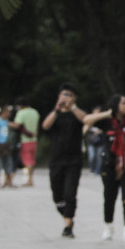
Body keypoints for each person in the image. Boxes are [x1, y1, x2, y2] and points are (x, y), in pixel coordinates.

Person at [83, 95, 125, 243]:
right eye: (123, 103)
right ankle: (108, 226)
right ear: (115, 105)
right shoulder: (106, 122)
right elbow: (86, 120)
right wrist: (107, 113)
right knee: (109, 197)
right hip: (109, 165)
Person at [41, 83, 87, 238]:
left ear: (74, 97)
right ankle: (67, 217)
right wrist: (56, 108)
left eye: (69, 95)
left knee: (70, 193)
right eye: (63, 94)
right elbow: (45, 126)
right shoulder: (55, 114)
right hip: (56, 159)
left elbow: (86, 120)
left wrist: (72, 107)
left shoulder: (77, 113)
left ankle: (68, 226)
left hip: (74, 160)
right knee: (57, 195)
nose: (65, 97)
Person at [10, 98, 40, 186]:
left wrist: (7, 123)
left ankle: (29, 180)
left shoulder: (21, 113)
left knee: (27, 160)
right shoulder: (35, 112)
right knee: (32, 159)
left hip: (25, 140)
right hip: (34, 140)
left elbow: (17, 125)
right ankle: (31, 179)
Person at [83, 105, 104, 175]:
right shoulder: (89, 120)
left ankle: (97, 171)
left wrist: (99, 131)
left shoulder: (103, 121)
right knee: (92, 156)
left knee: (99, 158)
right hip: (91, 142)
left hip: (100, 142)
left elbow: (106, 130)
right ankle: (92, 169)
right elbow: (84, 130)